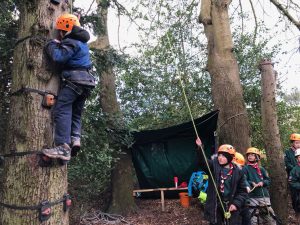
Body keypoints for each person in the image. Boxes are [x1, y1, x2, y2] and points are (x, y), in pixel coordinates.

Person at [42, 13, 95, 161]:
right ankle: (75, 138)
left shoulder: (71, 41)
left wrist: (51, 44)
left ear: (62, 30)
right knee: (76, 113)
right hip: (87, 83)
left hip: (75, 81)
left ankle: (63, 147)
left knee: (62, 109)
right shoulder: (82, 42)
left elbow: (58, 57)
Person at [196, 139, 247, 225]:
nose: (220, 158)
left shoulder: (238, 171)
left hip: (231, 205)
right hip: (216, 205)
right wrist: (200, 148)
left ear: (230, 158)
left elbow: (242, 191)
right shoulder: (213, 166)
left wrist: (236, 204)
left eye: (223, 156)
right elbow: (203, 162)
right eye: (219, 155)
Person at [243, 147, 276, 225]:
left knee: (269, 215)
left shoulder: (261, 169)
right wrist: (251, 183)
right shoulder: (245, 169)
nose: (250, 156)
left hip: (263, 195)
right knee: (253, 217)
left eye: (252, 155)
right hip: (252, 196)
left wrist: (263, 183)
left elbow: (268, 180)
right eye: (249, 155)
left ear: (257, 157)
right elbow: (243, 180)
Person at [233, 152, 251, 225]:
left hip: (243, 204)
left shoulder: (241, 174)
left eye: (241, 166)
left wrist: (247, 186)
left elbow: (245, 181)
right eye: (239, 166)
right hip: (233, 204)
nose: (240, 168)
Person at [288, 148, 300, 222]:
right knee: (298, 210)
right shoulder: (294, 170)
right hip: (298, 194)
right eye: (299, 157)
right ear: (297, 158)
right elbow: (291, 181)